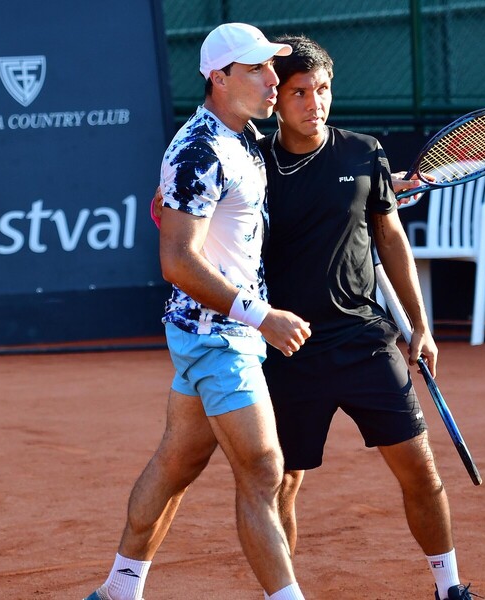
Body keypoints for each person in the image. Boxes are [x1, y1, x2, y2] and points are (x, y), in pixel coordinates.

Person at [84, 23, 310, 600]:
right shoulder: (199, 150)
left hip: (214, 331)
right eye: (258, 68)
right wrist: (263, 316)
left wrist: (381, 184)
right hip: (218, 335)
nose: (272, 79)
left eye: (272, 67)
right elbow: (178, 262)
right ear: (219, 76)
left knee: (175, 464)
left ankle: (119, 587)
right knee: (263, 469)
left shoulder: (244, 141)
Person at [258, 35, 474, 600]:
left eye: (323, 89)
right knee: (282, 485)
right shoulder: (250, 161)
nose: (314, 103)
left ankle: (449, 587)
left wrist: (418, 325)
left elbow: (390, 236)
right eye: (300, 92)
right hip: (287, 350)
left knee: (421, 472)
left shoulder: (362, 151)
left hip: (364, 340)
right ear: (276, 97)